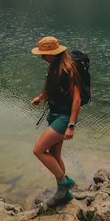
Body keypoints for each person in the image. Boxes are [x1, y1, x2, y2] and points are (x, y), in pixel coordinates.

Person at [31, 36, 81, 205]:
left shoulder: (68, 70)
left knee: (38, 150)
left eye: (44, 54)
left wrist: (71, 125)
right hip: (54, 115)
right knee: (54, 154)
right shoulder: (54, 67)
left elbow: (76, 100)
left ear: (53, 53)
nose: (42, 57)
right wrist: (40, 97)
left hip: (63, 118)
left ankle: (63, 183)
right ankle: (64, 193)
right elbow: (51, 88)